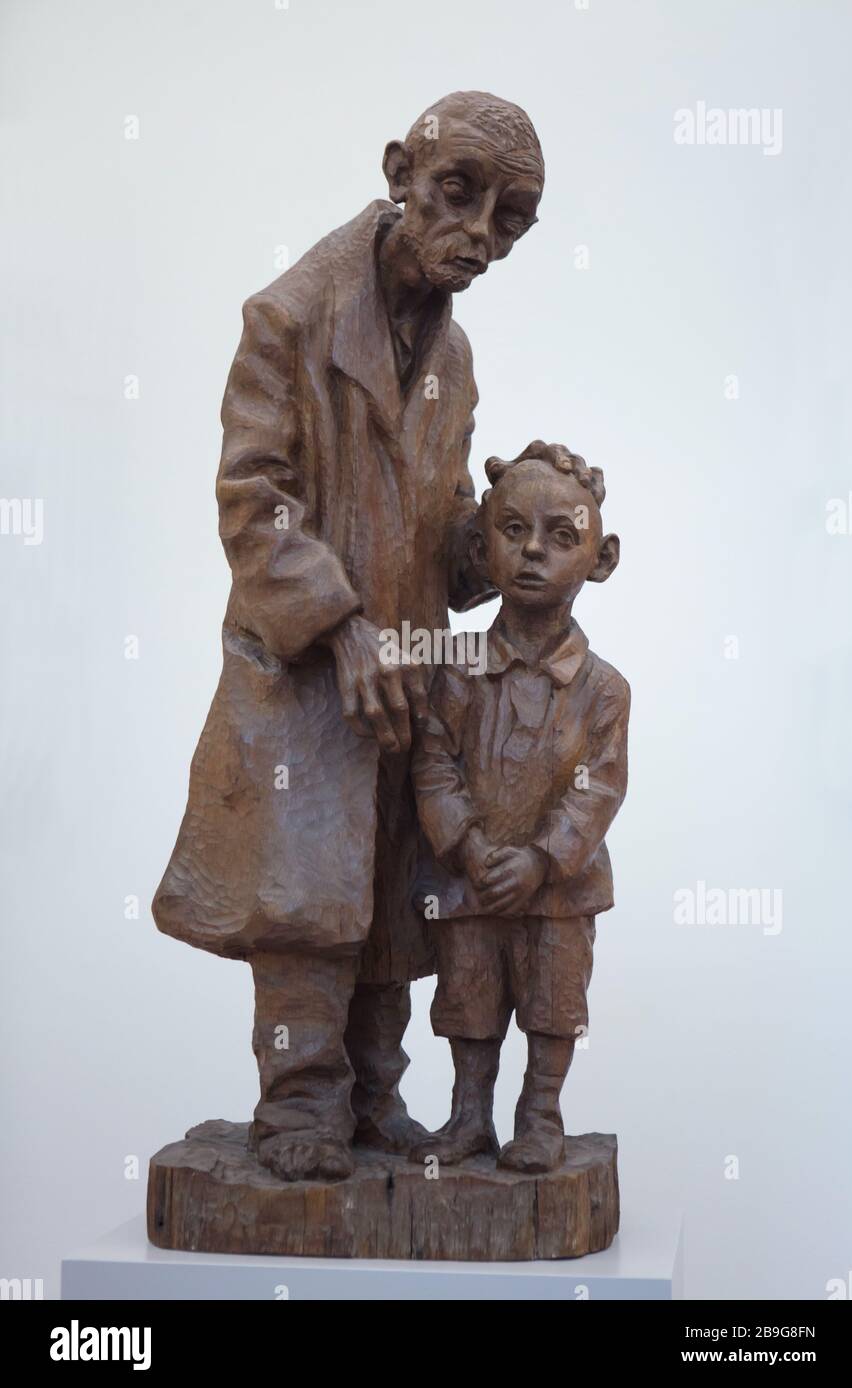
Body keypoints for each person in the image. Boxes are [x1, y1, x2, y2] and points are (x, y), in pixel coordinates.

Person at [152, 93, 545, 1182]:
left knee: (392, 899)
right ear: (398, 174)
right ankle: (299, 1108)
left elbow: (433, 529)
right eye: (458, 193)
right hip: (302, 673)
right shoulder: (290, 315)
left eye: (510, 218)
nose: (477, 232)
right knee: (304, 907)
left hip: (408, 672)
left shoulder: (453, 353)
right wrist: (340, 624)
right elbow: (255, 498)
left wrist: (503, 528)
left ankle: (375, 1097)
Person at [411, 442, 630, 1173]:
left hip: (557, 895)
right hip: (469, 883)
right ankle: (469, 1115)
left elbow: (600, 784)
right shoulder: (455, 667)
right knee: (468, 999)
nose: (534, 551)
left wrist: (542, 860)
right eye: (512, 530)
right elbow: (433, 763)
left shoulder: (604, 690)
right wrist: (467, 847)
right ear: (480, 544)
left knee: (552, 1004)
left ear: (600, 559)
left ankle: (540, 1116)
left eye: (562, 537)